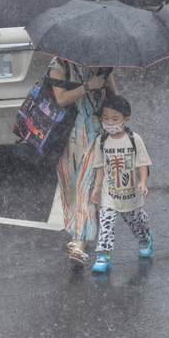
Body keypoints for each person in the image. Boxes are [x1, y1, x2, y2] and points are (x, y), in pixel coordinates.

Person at [48, 58, 118, 267]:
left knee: (85, 186)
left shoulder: (103, 63)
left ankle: (80, 243)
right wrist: (88, 86)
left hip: (95, 134)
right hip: (65, 135)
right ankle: (76, 230)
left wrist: (117, 115)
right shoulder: (59, 65)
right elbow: (60, 99)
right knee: (69, 187)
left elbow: (115, 95)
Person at [89, 95, 153, 273]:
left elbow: (142, 163)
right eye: (106, 118)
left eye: (115, 119)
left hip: (131, 193)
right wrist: (96, 188)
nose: (110, 123)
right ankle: (104, 255)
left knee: (137, 222)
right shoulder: (101, 141)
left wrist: (143, 183)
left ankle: (145, 237)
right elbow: (100, 167)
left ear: (126, 120)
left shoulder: (134, 139)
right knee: (106, 223)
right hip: (110, 194)